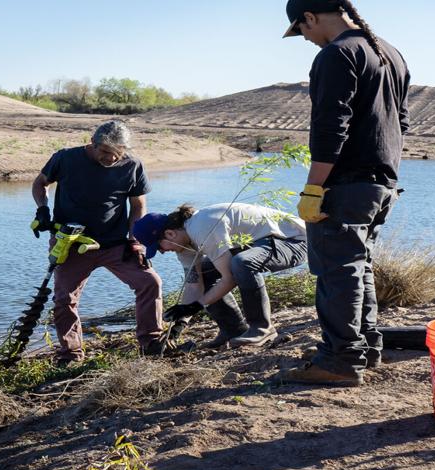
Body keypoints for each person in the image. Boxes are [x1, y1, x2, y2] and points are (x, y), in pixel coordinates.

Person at [278, 0, 411, 387]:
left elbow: (330, 128)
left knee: (337, 272)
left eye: (301, 30)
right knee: (357, 266)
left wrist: (314, 188)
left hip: (347, 183)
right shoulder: (390, 52)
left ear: (310, 17)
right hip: (381, 184)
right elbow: (401, 122)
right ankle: (365, 349)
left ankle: (339, 361)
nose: (306, 39)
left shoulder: (337, 54)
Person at [30, 120, 165, 363]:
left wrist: (135, 241)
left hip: (115, 245)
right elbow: (40, 183)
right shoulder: (65, 158)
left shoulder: (132, 165)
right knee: (64, 299)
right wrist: (42, 210)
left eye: (117, 154)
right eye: (104, 152)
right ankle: (71, 354)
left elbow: (138, 206)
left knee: (149, 282)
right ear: (93, 143)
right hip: (71, 243)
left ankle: (151, 342)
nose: (111, 158)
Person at [132, 202, 309, 351]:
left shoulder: (202, 228)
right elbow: (195, 286)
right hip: (262, 244)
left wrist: (197, 306)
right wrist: (179, 324)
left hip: (296, 241)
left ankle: (262, 328)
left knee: (242, 263)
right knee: (209, 269)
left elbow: (230, 277)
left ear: (170, 233)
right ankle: (234, 330)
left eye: (160, 247)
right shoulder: (185, 247)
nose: (163, 252)